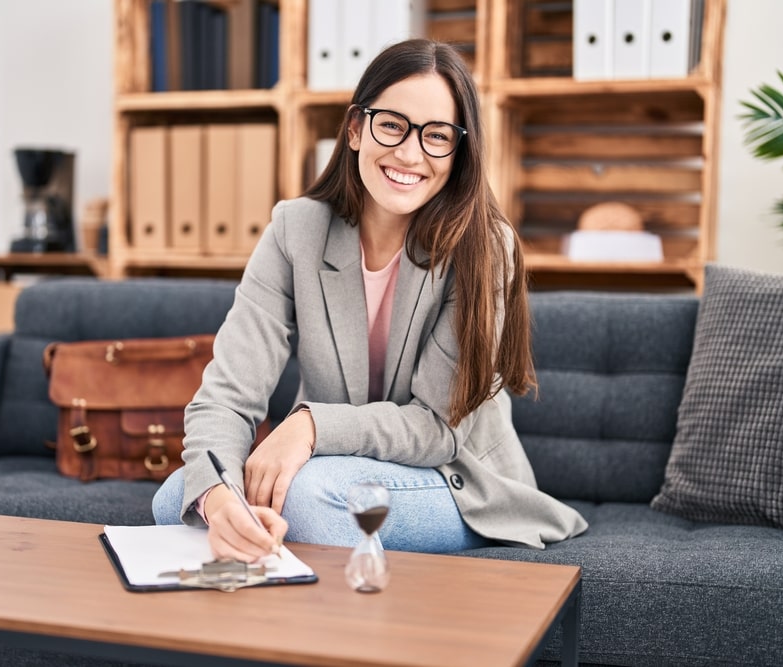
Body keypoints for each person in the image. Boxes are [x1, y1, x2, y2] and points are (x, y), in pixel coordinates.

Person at [152, 38, 588, 562]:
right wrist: (221, 496)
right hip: (332, 464)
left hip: (456, 482)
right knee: (181, 496)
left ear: (459, 150)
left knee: (312, 498)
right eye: (392, 125)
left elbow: (435, 430)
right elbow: (227, 393)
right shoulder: (296, 230)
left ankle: (342, 639)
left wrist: (309, 426)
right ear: (356, 128)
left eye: (437, 136)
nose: (410, 153)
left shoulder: (484, 248)